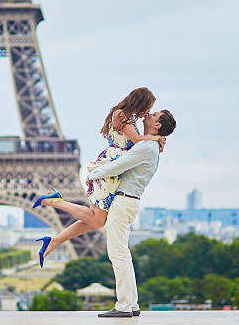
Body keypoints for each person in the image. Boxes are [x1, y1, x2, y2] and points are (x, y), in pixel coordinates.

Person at [35, 110, 177, 318]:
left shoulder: (147, 146)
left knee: (118, 255)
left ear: (157, 125)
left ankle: (124, 305)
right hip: (127, 200)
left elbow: (118, 166)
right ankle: (131, 304)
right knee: (119, 251)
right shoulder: (149, 144)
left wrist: (93, 175)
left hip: (124, 200)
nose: (149, 114)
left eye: (154, 114)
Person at [32, 88, 164, 266]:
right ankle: (55, 202)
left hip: (114, 170)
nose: (147, 112)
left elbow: (137, 143)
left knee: (96, 220)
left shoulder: (128, 117)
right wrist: (156, 139)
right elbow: (138, 141)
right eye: (148, 107)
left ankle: (54, 240)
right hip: (110, 169)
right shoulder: (121, 115)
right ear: (140, 101)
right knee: (96, 219)